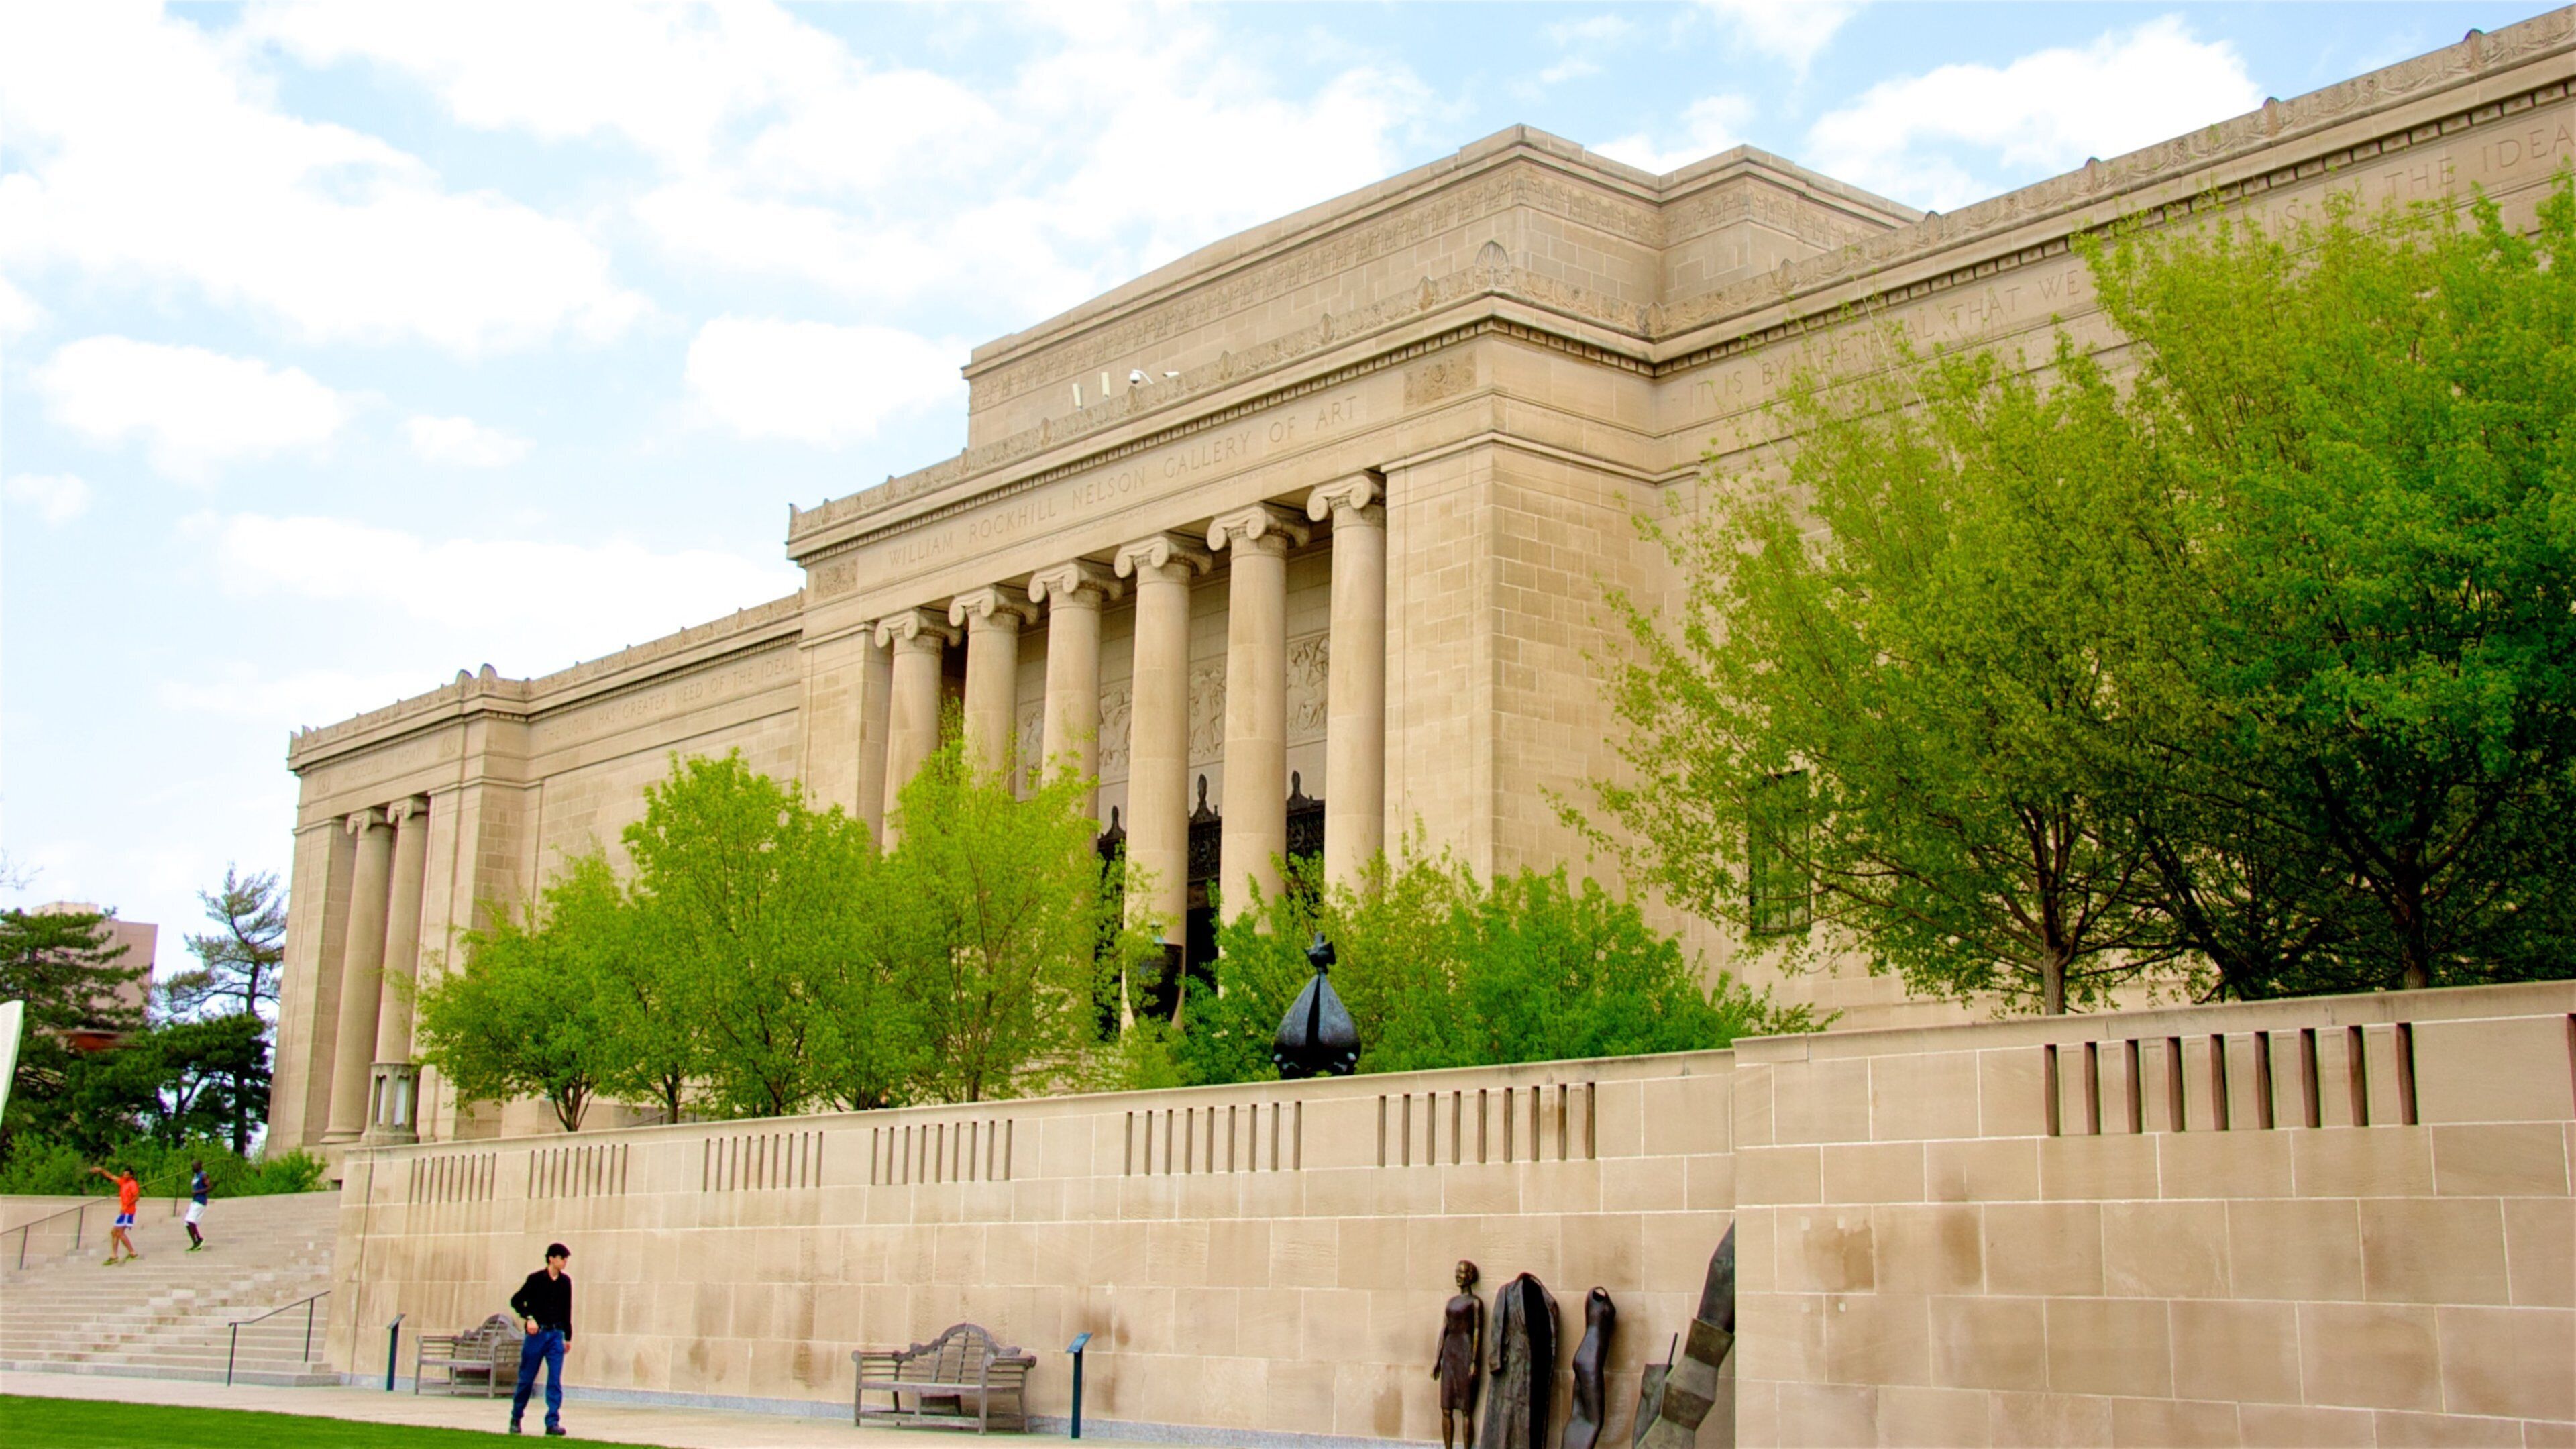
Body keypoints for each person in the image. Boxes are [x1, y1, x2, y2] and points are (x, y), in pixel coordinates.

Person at [507, 1242, 574, 1436]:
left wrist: (567, 1336)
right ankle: (516, 1416)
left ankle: (553, 1421)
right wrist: (529, 1318)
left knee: (554, 1379)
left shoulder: (565, 1282)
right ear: (552, 1258)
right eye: (562, 1258)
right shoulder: (536, 1280)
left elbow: (566, 1310)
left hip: (555, 1334)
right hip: (537, 1335)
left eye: (566, 1259)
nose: (564, 1262)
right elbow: (516, 1300)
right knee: (526, 1378)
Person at [85, 1164, 142, 1265]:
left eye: (127, 1175)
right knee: (114, 1232)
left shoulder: (133, 1184)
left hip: (128, 1212)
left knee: (119, 1232)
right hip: (124, 1212)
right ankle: (114, 1255)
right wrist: (101, 1170)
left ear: (131, 1176)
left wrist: (126, 1206)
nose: (124, 1176)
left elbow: (136, 1197)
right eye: (124, 1174)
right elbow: (111, 1176)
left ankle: (132, 1252)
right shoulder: (123, 1182)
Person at [184, 1160, 210, 1252]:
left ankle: (198, 1240)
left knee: (190, 1220)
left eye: (194, 1166)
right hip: (195, 1201)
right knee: (187, 1223)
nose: (192, 1168)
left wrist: (197, 1192)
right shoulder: (195, 1175)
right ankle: (196, 1241)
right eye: (192, 1166)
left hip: (200, 1201)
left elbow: (209, 1188)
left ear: (199, 1166)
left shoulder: (204, 1175)